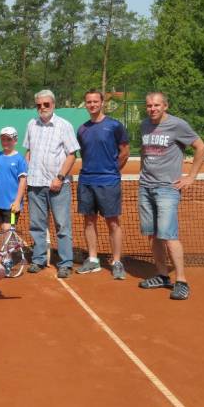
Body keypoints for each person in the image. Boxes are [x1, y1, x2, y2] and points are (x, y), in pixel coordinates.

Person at [138, 92, 204, 300]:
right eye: (149, 105)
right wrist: (142, 174)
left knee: (168, 236)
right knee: (153, 235)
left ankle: (182, 281)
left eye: (157, 105)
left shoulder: (178, 125)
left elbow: (201, 147)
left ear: (165, 106)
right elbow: (144, 151)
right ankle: (161, 275)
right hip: (146, 187)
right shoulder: (144, 125)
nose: (153, 109)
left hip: (167, 189)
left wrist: (191, 177)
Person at [23, 90, 80, 278]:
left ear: (53, 105)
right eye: (39, 105)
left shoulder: (64, 126)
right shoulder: (31, 124)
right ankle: (38, 259)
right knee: (37, 225)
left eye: (46, 104)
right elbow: (29, 151)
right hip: (35, 185)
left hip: (58, 185)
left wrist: (60, 177)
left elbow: (72, 154)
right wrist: (28, 173)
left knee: (62, 225)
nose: (42, 108)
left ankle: (65, 263)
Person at [75, 89, 130, 279]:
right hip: (87, 180)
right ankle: (92, 259)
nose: (92, 105)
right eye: (88, 102)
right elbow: (85, 153)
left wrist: (113, 171)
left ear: (102, 103)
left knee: (113, 223)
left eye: (95, 101)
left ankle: (116, 261)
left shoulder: (115, 126)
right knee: (89, 221)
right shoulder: (82, 129)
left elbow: (124, 152)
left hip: (109, 181)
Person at [0, 126, 28, 232]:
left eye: (9, 139)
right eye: (3, 139)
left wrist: (17, 202)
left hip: (12, 204)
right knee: (4, 229)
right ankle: (10, 248)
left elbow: (23, 181)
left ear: (15, 140)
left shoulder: (20, 159)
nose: (5, 142)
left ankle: (11, 248)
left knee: (7, 229)